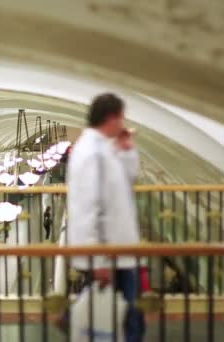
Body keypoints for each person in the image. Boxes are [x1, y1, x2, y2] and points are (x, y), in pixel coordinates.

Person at [67, 93, 145, 341]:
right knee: (123, 318)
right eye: (121, 118)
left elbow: (126, 180)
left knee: (121, 317)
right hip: (108, 255)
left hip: (116, 250)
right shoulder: (92, 153)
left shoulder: (103, 150)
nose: (123, 124)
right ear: (112, 118)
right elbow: (88, 207)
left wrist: (126, 150)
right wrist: (97, 259)